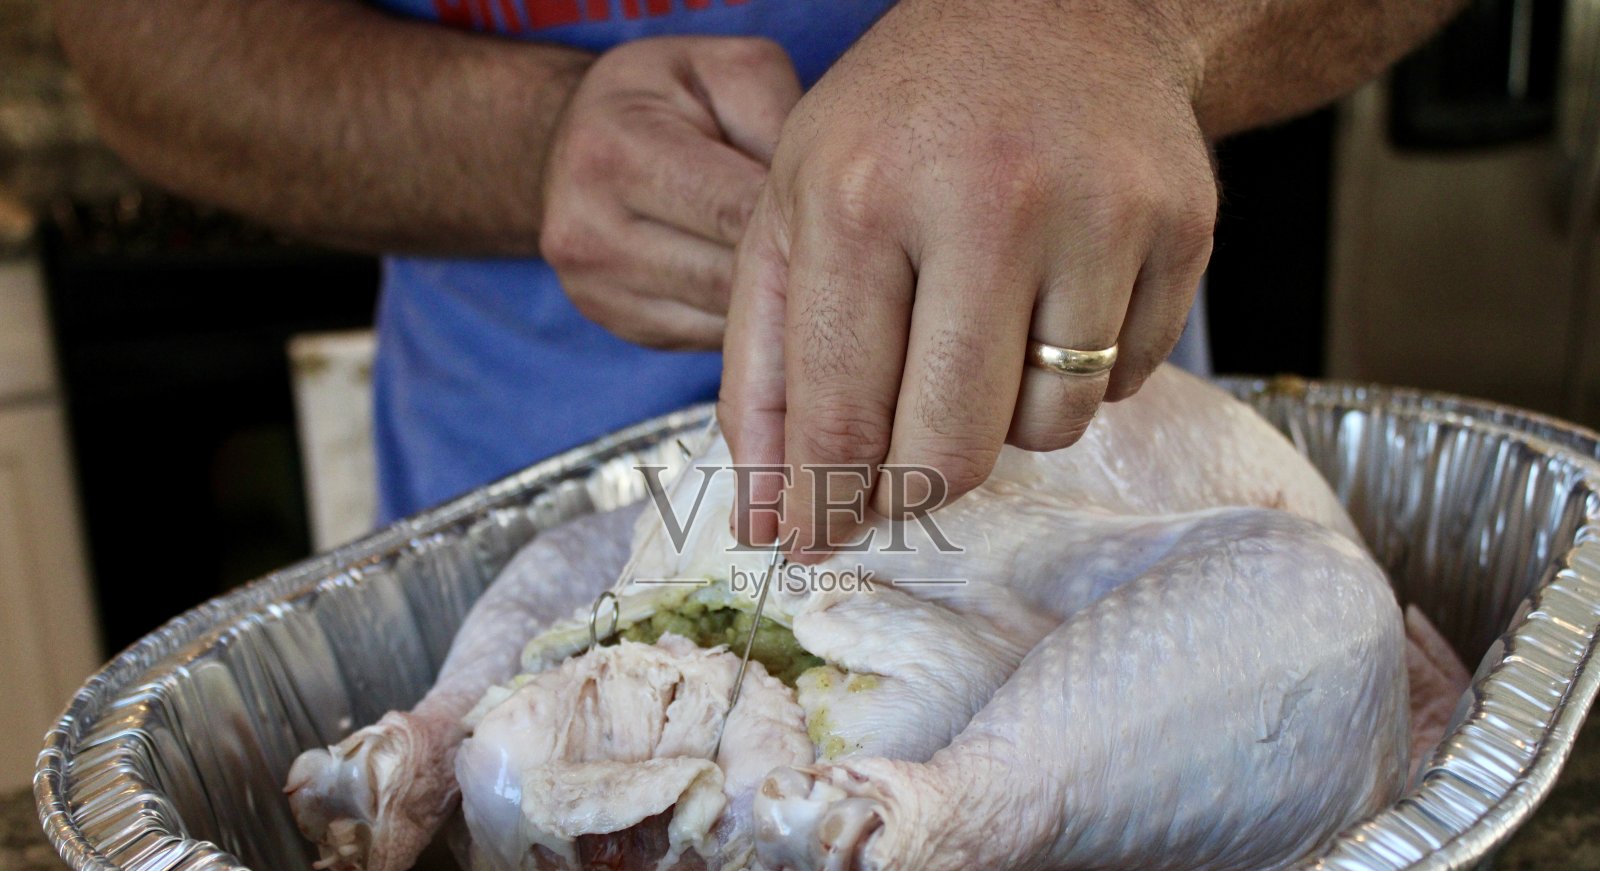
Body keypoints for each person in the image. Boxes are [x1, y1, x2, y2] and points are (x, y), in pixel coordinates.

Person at [55, 0, 1463, 556]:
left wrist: (1130, 23)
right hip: (508, 511)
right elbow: (145, 45)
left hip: (1079, 485)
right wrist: (533, 138)